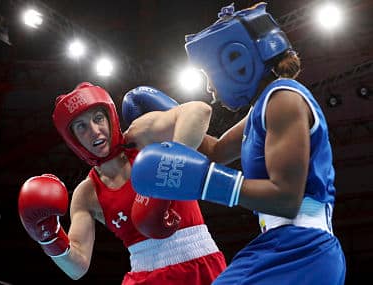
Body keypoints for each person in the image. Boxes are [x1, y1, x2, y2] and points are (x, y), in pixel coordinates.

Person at [129, 2, 346, 284]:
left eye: (208, 74)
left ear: (236, 59)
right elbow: (216, 151)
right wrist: (171, 117)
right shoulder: (264, 108)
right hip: (285, 246)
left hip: (301, 248)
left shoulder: (284, 99)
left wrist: (204, 181)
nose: (208, 87)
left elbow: (286, 198)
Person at [18, 82, 227, 284]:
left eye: (98, 118)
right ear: (73, 140)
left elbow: (198, 111)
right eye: (81, 126)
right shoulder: (87, 193)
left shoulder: (141, 136)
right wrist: (47, 237)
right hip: (146, 276)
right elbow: (77, 268)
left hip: (203, 263)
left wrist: (169, 174)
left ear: (110, 118)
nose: (94, 130)